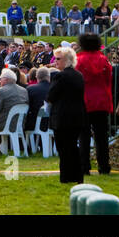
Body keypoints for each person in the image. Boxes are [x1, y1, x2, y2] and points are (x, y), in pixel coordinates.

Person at [47, 46, 87, 184]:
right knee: (72, 147)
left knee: (63, 148)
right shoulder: (79, 75)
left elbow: (51, 96)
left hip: (63, 116)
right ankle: (77, 176)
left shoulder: (60, 76)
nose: (55, 61)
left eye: (58, 59)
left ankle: (66, 176)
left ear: (67, 60)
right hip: (77, 115)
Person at [76, 31, 113, 175]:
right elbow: (108, 78)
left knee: (83, 136)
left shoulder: (78, 60)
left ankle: (84, 166)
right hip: (101, 101)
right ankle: (104, 166)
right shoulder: (104, 60)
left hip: (84, 100)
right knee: (102, 137)